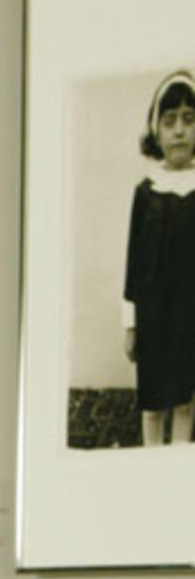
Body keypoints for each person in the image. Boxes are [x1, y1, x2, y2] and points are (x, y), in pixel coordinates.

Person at [123, 67, 195, 445]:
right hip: (152, 317)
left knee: (185, 402)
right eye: (170, 122)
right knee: (153, 404)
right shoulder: (145, 192)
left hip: (189, 315)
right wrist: (131, 324)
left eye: (188, 119)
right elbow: (134, 263)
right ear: (157, 130)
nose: (180, 130)